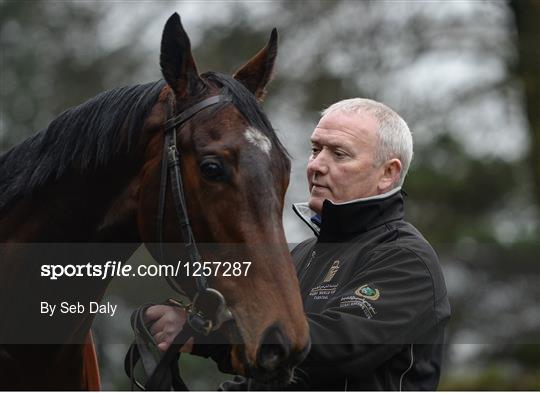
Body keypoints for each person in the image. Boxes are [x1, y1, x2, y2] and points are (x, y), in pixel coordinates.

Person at [144, 98, 451, 390]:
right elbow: (268, 380)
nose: (316, 165)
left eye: (339, 154)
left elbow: (334, 352)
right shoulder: (301, 255)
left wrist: (207, 336)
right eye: (315, 149)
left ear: (388, 173)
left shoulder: (405, 259)